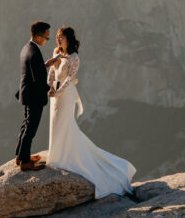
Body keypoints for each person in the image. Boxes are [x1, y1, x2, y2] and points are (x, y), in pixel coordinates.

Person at [46, 26, 136, 198]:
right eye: (57, 37)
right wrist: (50, 87)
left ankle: (65, 157)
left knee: (65, 124)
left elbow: (69, 79)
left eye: (61, 37)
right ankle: (56, 153)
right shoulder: (56, 52)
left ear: (69, 39)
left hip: (66, 94)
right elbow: (51, 72)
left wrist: (57, 91)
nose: (58, 39)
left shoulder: (74, 57)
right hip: (55, 94)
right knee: (55, 123)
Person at [14, 20, 53, 170]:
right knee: (30, 129)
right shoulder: (35, 52)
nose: (47, 40)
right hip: (34, 96)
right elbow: (37, 80)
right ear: (38, 36)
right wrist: (51, 89)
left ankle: (20, 156)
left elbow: (33, 70)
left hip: (27, 93)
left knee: (25, 125)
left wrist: (45, 65)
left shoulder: (27, 48)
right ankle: (25, 163)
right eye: (46, 37)